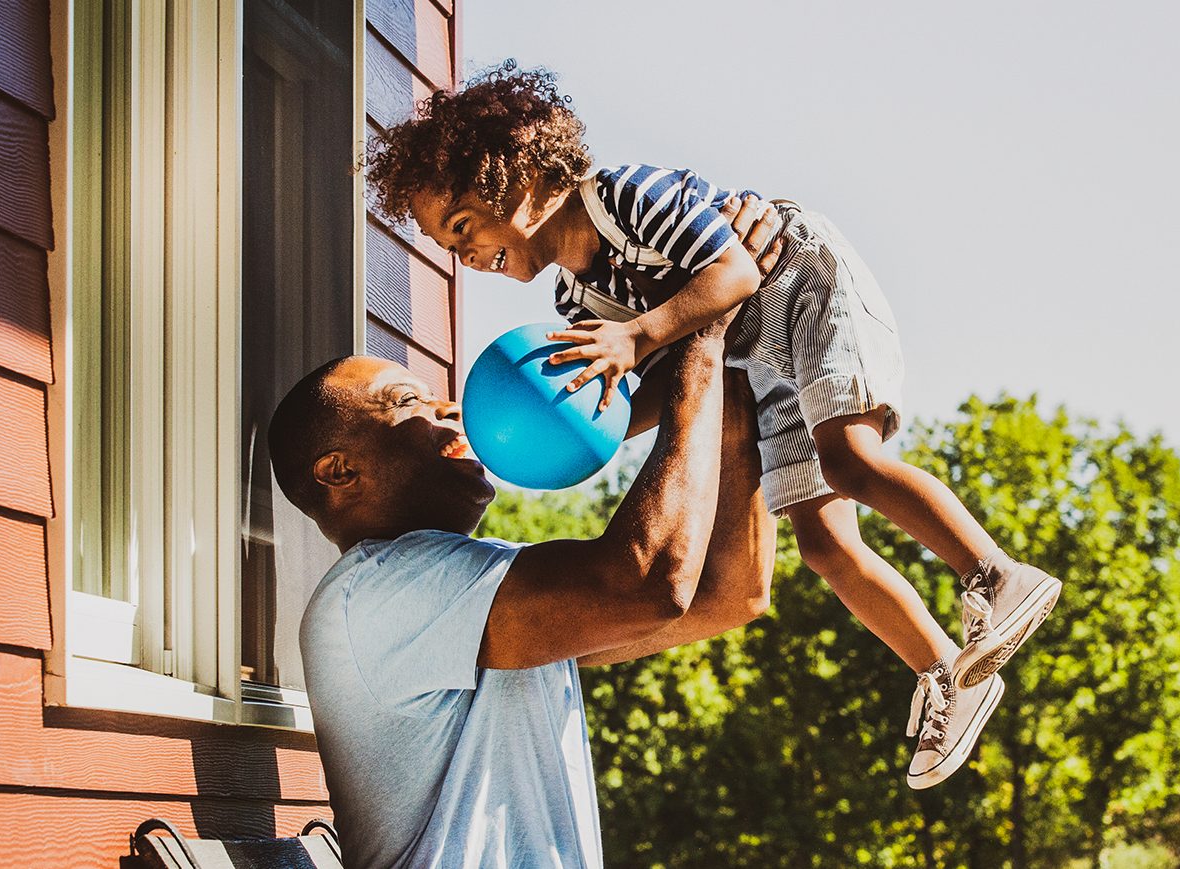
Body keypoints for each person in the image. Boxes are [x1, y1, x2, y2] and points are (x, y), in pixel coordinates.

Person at [362, 61, 1064, 789]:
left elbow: (734, 275)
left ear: (522, 178)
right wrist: (580, 419)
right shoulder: (577, 302)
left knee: (850, 459)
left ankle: (997, 575)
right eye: (449, 246)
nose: (463, 255)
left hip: (804, 288)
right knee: (825, 544)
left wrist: (635, 337)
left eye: (462, 226)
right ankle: (946, 672)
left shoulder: (624, 195)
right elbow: (666, 383)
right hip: (758, 363)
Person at [269, 311, 769, 868]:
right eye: (408, 401)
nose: (450, 408)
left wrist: (739, 380)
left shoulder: (465, 587)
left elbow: (729, 594)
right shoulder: (375, 591)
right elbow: (648, 584)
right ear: (339, 471)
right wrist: (702, 335)